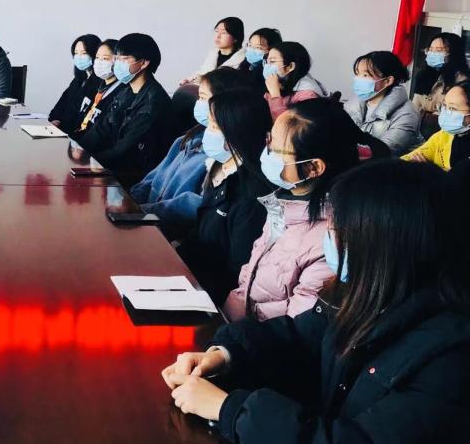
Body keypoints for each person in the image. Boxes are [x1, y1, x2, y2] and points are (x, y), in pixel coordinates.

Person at [162, 159, 470, 444]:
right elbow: (297, 338)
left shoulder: (450, 356)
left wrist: (230, 410)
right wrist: (225, 355)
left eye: (337, 230)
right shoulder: (363, 297)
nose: (328, 241)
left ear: (384, 245)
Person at [224, 98, 359, 321]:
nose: (267, 153)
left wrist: (234, 334)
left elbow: (296, 324)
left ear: (314, 167)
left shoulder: (331, 240)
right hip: (238, 322)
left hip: (260, 336)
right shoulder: (285, 205)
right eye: (269, 141)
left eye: (276, 150)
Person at [130, 66, 247, 226]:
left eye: (203, 97)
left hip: (169, 227)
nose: (198, 103)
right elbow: (151, 179)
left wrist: (141, 212)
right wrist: (130, 205)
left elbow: (192, 206)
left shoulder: (220, 152)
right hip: (147, 217)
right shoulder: (186, 139)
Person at [187, 88, 273, 303]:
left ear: (235, 132)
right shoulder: (222, 169)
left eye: (214, 126)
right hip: (193, 273)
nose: (207, 132)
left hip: (213, 294)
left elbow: (236, 270)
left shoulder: (252, 193)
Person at [74, 33, 174, 177]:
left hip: (136, 174)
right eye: (117, 58)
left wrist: (93, 161)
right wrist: (80, 148)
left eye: (124, 59)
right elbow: (103, 127)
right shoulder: (127, 90)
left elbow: (125, 149)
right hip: (117, 165)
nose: (118, 64)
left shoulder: (153, 103)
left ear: (144, 63)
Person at [344, 50, 422, 156]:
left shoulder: (407, 114)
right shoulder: (352, 105)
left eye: (365, 75)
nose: (358, 79)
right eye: (357, 74)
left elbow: (386, 149)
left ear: (388, 81)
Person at [404, 81, 470, 171]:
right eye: (445, 105)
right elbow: (407, 160)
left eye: (452, 108)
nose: (446, 112)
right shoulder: (444, 136)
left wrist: (431, 172)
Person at [263, 41, 328, 120]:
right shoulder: (282, 82)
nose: (267, 66)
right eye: (267, 62)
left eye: (272, 61)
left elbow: (287, 125)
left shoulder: (308, 95)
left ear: (290, 66)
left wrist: (275, 95)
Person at [49, 34, 101, 132]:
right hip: (60, 130)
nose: (79, 57)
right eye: (76, 53)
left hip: (75, 134)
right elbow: (62, 103)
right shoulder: (78, 79)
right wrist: (55, 119)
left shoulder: (99, 83)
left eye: (84, 53)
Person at [411, 32, 470, 115]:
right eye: (430, 50)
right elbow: (414, 107)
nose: (433, 54)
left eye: (439, 50)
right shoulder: (423, 75)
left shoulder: (463, 82)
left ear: (454, 54)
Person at [180, 17, 246, 86]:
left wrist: (204, 80)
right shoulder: (213, 54)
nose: (218, 36)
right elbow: (202, 72)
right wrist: (189, 80)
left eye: (224, 33)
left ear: (236, 38)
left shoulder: (243, 60)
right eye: (217, 31)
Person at [73, 39, 120, 135]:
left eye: (105, 58)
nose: (99, 62)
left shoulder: (120, 91)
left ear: (118, 61)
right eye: (97, 57)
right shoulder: (98, 86)